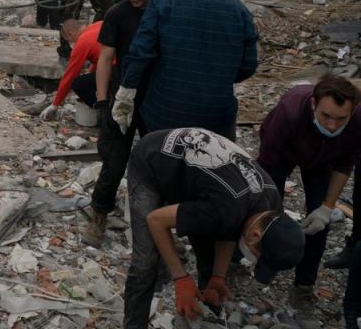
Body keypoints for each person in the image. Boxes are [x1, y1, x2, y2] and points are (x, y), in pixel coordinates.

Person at [123, 127, 304, 329]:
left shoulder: (271, 206)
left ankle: (205, 316)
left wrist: (218, 276)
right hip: (152, 158)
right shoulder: (225, 208)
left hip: (200, 179)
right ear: (254, 235)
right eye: (257, 255)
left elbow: (230, 228)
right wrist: (180, 278)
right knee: (145, 261)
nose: (253, 259)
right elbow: (155, 220)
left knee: (209, 258)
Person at [113, 0, 258, 141]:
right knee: (210, 168)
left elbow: (140, 53)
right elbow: (248, 66)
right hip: (215, 117)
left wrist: (125, 94)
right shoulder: (240, 13)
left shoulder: (163, 3)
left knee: (163, 165)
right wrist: (217, 79)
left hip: (165, 112)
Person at [256, 75, 361, 327]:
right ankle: (254, 260)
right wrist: (273, 214)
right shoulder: (288, 112)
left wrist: (327, 208)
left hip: (323, 158)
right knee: (266, 211)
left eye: (340, 119)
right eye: (326, 116)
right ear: (314, 104)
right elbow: (267, 165)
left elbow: (344, 166)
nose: (333, 125)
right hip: (282, 153)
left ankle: (304, 284)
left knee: (319, 222)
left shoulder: (357, 120)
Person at [84, 0, 157, 247]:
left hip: (155, 97)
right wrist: (102, 102)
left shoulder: (164, 10)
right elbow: (104, 58)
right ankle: (99, 213)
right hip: (123, 95)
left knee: (157, 163)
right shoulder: (117, 13)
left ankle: (156, 222)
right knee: (114, 161)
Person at [41, 20, 102, 120]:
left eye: (69, 40)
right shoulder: (98, 25)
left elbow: (69, 77)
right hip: (126, 62)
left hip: (115, 71)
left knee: (78, 84)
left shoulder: (82, 42)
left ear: (71, 34)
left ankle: (103, 110)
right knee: (89, 79)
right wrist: (90, 72)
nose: (71, 43)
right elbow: (99, 56)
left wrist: (55, 104)